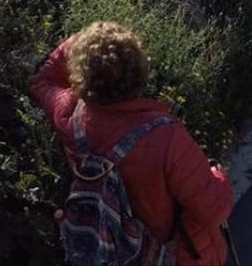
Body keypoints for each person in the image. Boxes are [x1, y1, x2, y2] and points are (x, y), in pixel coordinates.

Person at [31, 22, 234, 265]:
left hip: (106, 251)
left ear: (80, 73)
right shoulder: (165, 136)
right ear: (139, 72)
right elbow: (212, 210)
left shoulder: (69, 115)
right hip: (166, 257)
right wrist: (217, 176)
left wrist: (81, 42)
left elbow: (42, 79)